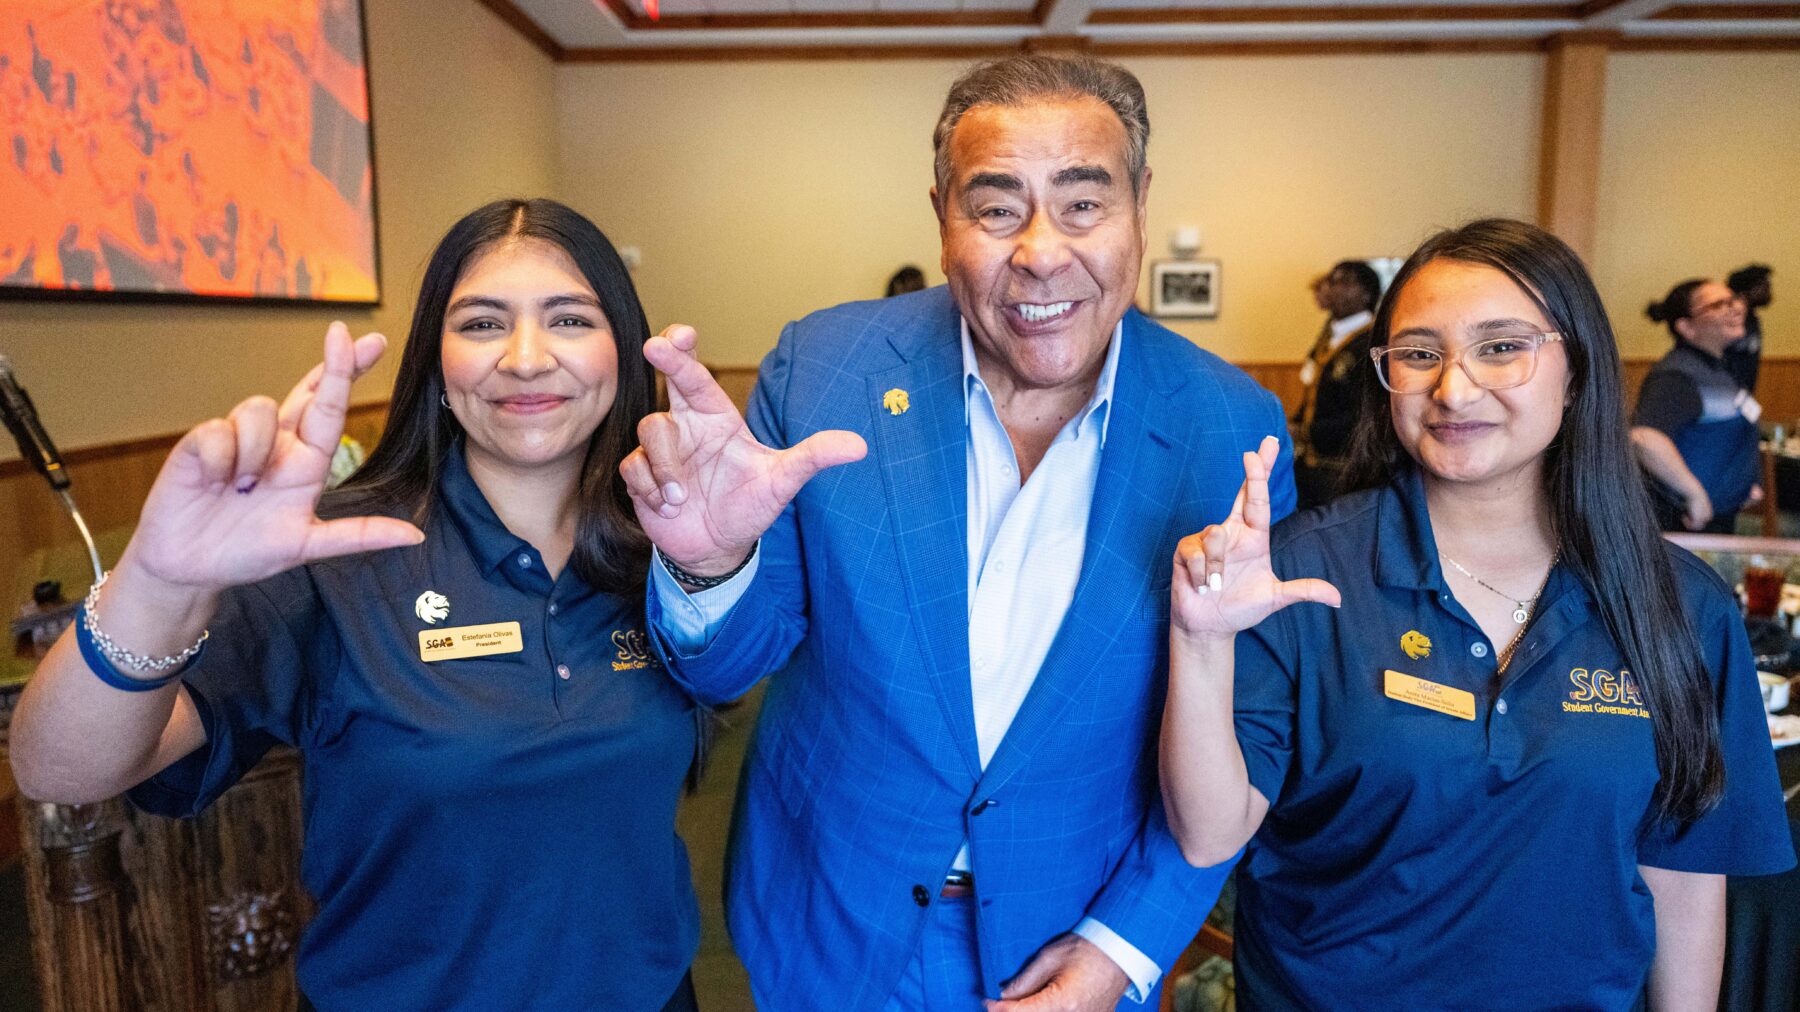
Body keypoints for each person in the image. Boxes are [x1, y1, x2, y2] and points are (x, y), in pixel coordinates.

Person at [617, 55, 1294, 1011]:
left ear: (1141, 203)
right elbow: (724, 670)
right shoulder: (825, 369)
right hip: (830, 916)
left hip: (1072, 930)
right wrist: (711, 563)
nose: (1042, 252)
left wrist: (1123, 946)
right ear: (942, 217)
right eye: (997, 207)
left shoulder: (1231, 429)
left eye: (1084, 203)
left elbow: (1251, 735)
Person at [8, 199, 708, 1011]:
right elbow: (58, 766)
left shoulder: (667, 544)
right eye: (482, 324)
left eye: (569, 319)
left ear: (622, 350)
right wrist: (159, 581)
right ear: (437, 367)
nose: (525, 358)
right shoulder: (338, 551)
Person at [1158, 218, 1793, 1011]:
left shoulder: (1679, 603)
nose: (1453, 389)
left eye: (1501, 347)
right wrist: (1202, 636)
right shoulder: (1302, 574)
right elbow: (1209, 833)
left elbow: (1684, 867)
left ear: (1577, 369)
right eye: (1420, 354)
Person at [1631, 278, 1761, 533]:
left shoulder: (1718, 369)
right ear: (1687, 327)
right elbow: (1643, 438)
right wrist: (1694, 495)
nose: (1735, 308)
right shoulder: (1677, 376)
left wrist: (1748, 483)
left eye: (1732, 300)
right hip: (1684, 524)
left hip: (1719, 518)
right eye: (1718, 304)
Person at [1290, 259, 1381, 509]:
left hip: (1345, 467)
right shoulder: (1330, 336)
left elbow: (1364, 412)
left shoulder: (1371, 341)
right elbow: (1316, 394)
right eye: (1332, 281)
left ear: (1366, 294)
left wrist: (1307, 432)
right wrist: (1296, 423)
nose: (1333, 288)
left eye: (1344, 282)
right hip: (1313, 464)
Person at [1725, 263, 1773, 393]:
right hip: (1725, 397)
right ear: (1744, 291)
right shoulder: (1728, 323)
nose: (1768, 288)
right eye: (1762, 285)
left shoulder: (1753, 321)